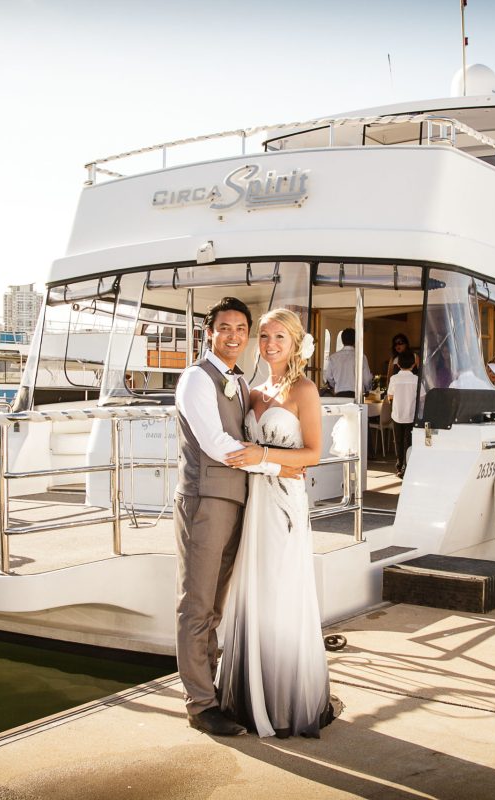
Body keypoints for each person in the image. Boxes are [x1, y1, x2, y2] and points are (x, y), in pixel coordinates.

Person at [173, 297, 302, 737]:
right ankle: (200, 705)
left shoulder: (241, 383)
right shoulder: (196, 378)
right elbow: (215, 443)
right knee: (196, 606)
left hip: (239, 502)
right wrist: (276, 465)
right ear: (209, 333)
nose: (233, 336)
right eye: (224, 328)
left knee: (215, 607)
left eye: (240, 329)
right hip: (205, 500)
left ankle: (211, 694)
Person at [218, 308, 340, 738]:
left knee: (280, 589)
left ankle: (284, 699)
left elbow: (313, 454)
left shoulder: (304, 390)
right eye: (265, 337)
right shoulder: (252, 393)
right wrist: (263, 463)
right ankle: (253, 693)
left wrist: (266, 459)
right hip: (254, 504)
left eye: (279, 338)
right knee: (253, 591)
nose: (270, 345)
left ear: (295, 344)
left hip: (285, 506)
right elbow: (241, 449)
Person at [387, 349, 416, 477]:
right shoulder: (416, 379)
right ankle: (408, 466)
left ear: (398, 365)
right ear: (414, 364)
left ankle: (399, 467)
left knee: (398, 441)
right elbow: (422, 397)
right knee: (409, 442)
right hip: (411, 414)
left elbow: (390, 396)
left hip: (397, 414)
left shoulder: (394, 379)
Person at [324, 327, 372, 397]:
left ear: (342, 340)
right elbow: (367, 379)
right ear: (355, 340)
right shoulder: (361, 356)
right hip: (356, 395)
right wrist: (367, 389)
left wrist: (334, 385)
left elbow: (328, 376)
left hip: (340, 394)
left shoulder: (333, 357)